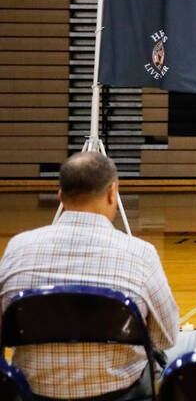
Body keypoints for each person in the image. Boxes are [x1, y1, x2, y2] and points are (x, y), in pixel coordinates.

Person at [0, 152, 179, 401]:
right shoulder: (141, 254)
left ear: (60, 195)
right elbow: (166, 337)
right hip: (120, 393)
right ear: (111, 193)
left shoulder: (17, 249)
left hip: (33, 392)